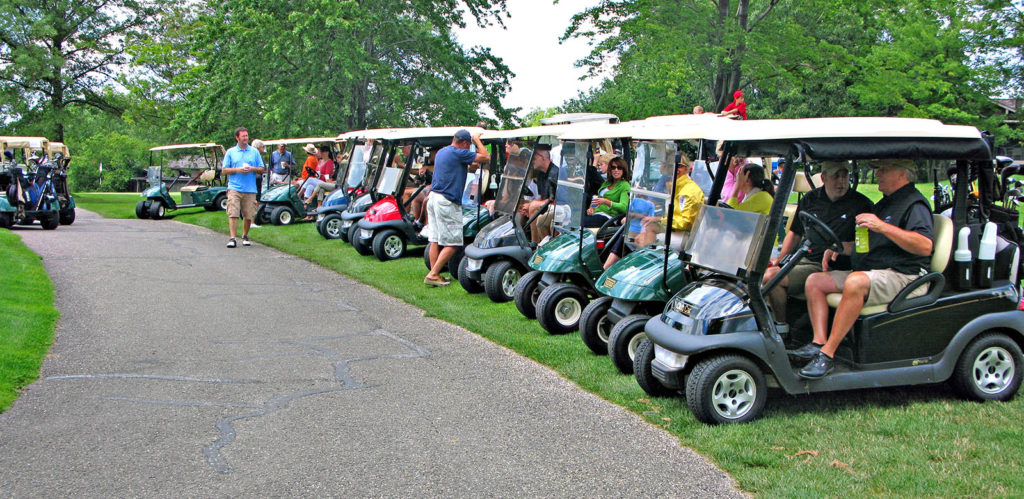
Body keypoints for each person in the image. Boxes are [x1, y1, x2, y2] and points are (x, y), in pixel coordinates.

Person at [797, 159, 934, 379]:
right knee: (815, 280)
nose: (877, 174)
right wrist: (840, 248)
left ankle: (827, 354)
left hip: (904, 275)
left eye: (884, 169)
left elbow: (924, 246)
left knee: (856, 281)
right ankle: (818, 342)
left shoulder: (914, 204)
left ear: (902, 173)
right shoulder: (886, 203)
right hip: (877, 271)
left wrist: (882, 226)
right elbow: (872, 243)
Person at [762, 161, 873, 323]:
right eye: (836, 176)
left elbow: (866, 242)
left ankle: (781, 328)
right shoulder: (811, 199)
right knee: (759, 272)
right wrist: (780, 260)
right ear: (824, 177)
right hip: (804, 257)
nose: (841, 181)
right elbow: (795, 233)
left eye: (845, 176)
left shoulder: (860, 204)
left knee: (771, 278)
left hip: (832, 266)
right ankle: (779, 323)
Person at [423, 129, 491, 286]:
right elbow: (485, 157)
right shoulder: (458, 152)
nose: (469, 149)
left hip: (433, 198)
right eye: (469, 145)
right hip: (447, 201)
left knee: (435, 239)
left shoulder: (442, 152)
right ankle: (433, 274)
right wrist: (477, 140)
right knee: (453, 243)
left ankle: (435, 275)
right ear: (465, 143)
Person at [222, 127, 266, 248]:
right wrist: (238, 170)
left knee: (248, 214)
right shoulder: (231, 152)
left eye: (247, 136)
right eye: (243, 136)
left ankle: (245, 236)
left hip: (250, 188)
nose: (246, 138)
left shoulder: (254, 152)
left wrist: (251, 168)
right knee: (233, 213)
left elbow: (262, 169)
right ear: (237, 138)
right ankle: (232, 238)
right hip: (234, 187)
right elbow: (224, 170)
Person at [520, 146, 560, 243]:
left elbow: (555, 199)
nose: (532, 161)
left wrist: (532, 204)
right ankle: (522, 239)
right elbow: (542, 196)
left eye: (534, 158)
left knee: (533, 206)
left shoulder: (555, 174)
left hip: (558, 205)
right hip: (547, 204)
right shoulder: (541, 174)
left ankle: (535, 243)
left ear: (542, 157)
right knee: (521, 205)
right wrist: (527, 205)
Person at [583, 156, 630, 227]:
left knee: (583, 223)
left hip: (608, 218)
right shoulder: (606, 183)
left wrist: (606, 201)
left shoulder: (625, 185)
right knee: (577, 220)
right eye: (613, 168)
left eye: (619, 168)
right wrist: (591, 208)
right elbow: (598, 200)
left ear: (623, 170)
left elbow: (623, 207)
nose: (616, 170)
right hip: (596, 214)